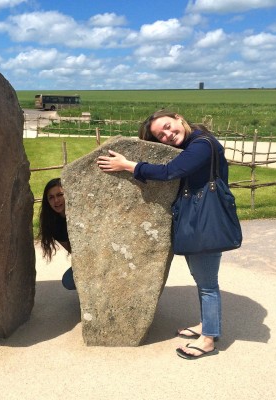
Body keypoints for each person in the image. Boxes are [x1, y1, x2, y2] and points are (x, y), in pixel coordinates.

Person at [97, 109, 228, 360]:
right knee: (202, 279)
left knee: (208, 284)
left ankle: (209, 339)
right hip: (196, 219)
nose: (167, 135)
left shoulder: (203, 145)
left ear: (180, 118)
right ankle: (207, 326)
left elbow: (170, 171)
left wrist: (127, 164)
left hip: (205, 221)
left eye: (168, 127)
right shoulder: (193, 142)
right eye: (160, 135)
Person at [38, 177, 76, 290]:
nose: (56, 201)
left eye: (60, 195)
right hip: (87, 259)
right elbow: (74, 252)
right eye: (51, 197)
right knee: (68, 281)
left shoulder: (79, 212)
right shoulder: (54, 225)